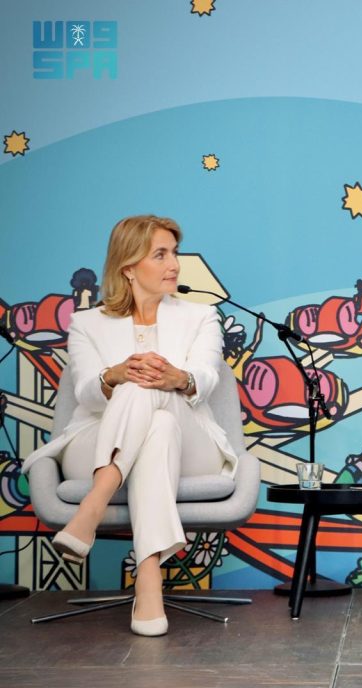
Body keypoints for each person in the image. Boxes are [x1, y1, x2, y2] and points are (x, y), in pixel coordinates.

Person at [23, 215, 237, 637]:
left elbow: (207, 377)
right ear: (128, 267)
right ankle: (149, 579)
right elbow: (85, 393)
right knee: (150, 411)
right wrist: (114, 375)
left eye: (174, 253)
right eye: (160, 254)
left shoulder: (201, 316)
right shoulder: (87, 323)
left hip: (192, 439)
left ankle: (93, 506)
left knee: (152, 394)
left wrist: (179, 378)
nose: (174, 264)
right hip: (95, 438)